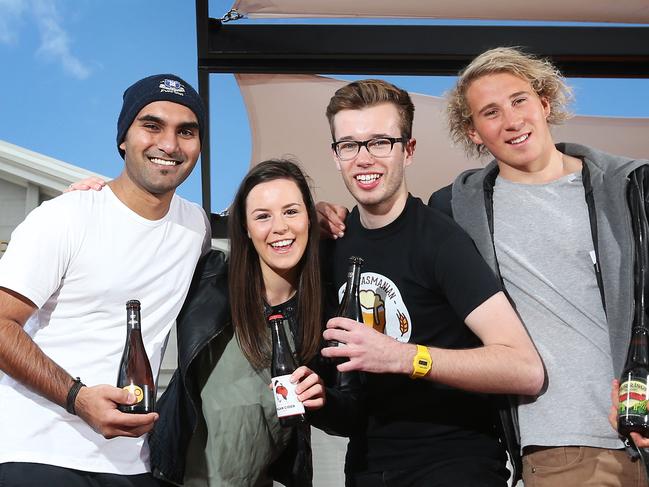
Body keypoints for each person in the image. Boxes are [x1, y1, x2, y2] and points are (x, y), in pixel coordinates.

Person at [427, 47, 649, 486]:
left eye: (519, 100)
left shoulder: (632, 189)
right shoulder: (456, 209)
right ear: (473, 132)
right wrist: (325, 217)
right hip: (564, 448)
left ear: (545, 103)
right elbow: (391, 231)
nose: (511, 120)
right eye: (490, 112)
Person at [314, 78, 544, 487]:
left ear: (409, 150)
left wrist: (404, 357)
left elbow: (524, 368)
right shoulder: (333, 242)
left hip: (453, 464)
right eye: (349, 144)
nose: (363, 158)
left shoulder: (441, 241)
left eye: (381, 142)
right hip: (366, 467)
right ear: (336, 156)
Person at [0, 74, 211, 486]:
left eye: (186, 131)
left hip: (134, 465)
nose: (169, 144)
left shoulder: (196, 227)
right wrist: (77, 399)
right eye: (152, 126)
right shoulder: (67, 216)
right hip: (38, 453)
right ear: (123, 139)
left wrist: (321, 215)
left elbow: (267, 225)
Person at [74, 160, 327, 486]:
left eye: (291, 211)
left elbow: (347, 410)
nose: (279, 226)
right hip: (171, 476)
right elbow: (143, 241)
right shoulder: (210, 276)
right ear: (246, 228)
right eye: (263, 215)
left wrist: (323, 399)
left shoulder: (324, 305)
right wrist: (97, 206)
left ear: (310, 216)